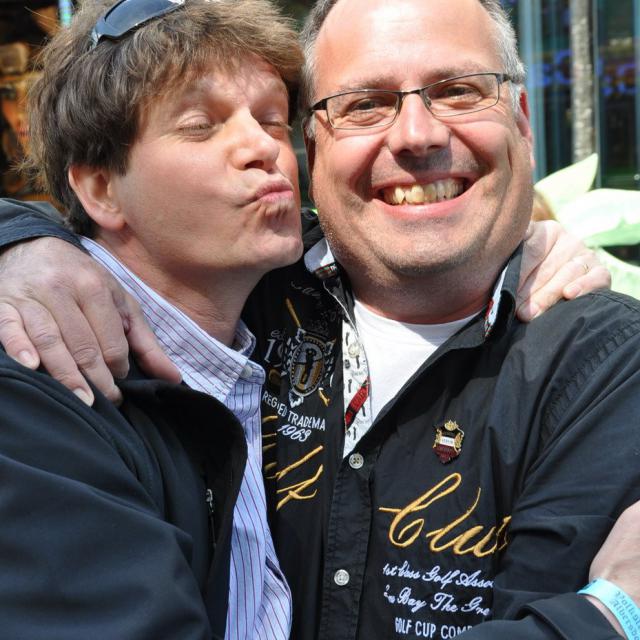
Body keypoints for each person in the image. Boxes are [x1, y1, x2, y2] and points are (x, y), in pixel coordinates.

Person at [0, 1, 639, 639]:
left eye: (458, 91)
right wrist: (609, 615)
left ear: (523, 123)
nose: (261, 148)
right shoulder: (54, 380)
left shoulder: (601, 360)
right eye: (365, 104)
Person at [0, 0, 305, 637]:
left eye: (273, 120)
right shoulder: (35, 389)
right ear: (101, 190)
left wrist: (513, 251)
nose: (263, 148)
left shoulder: (303, 314)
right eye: (201, 125)